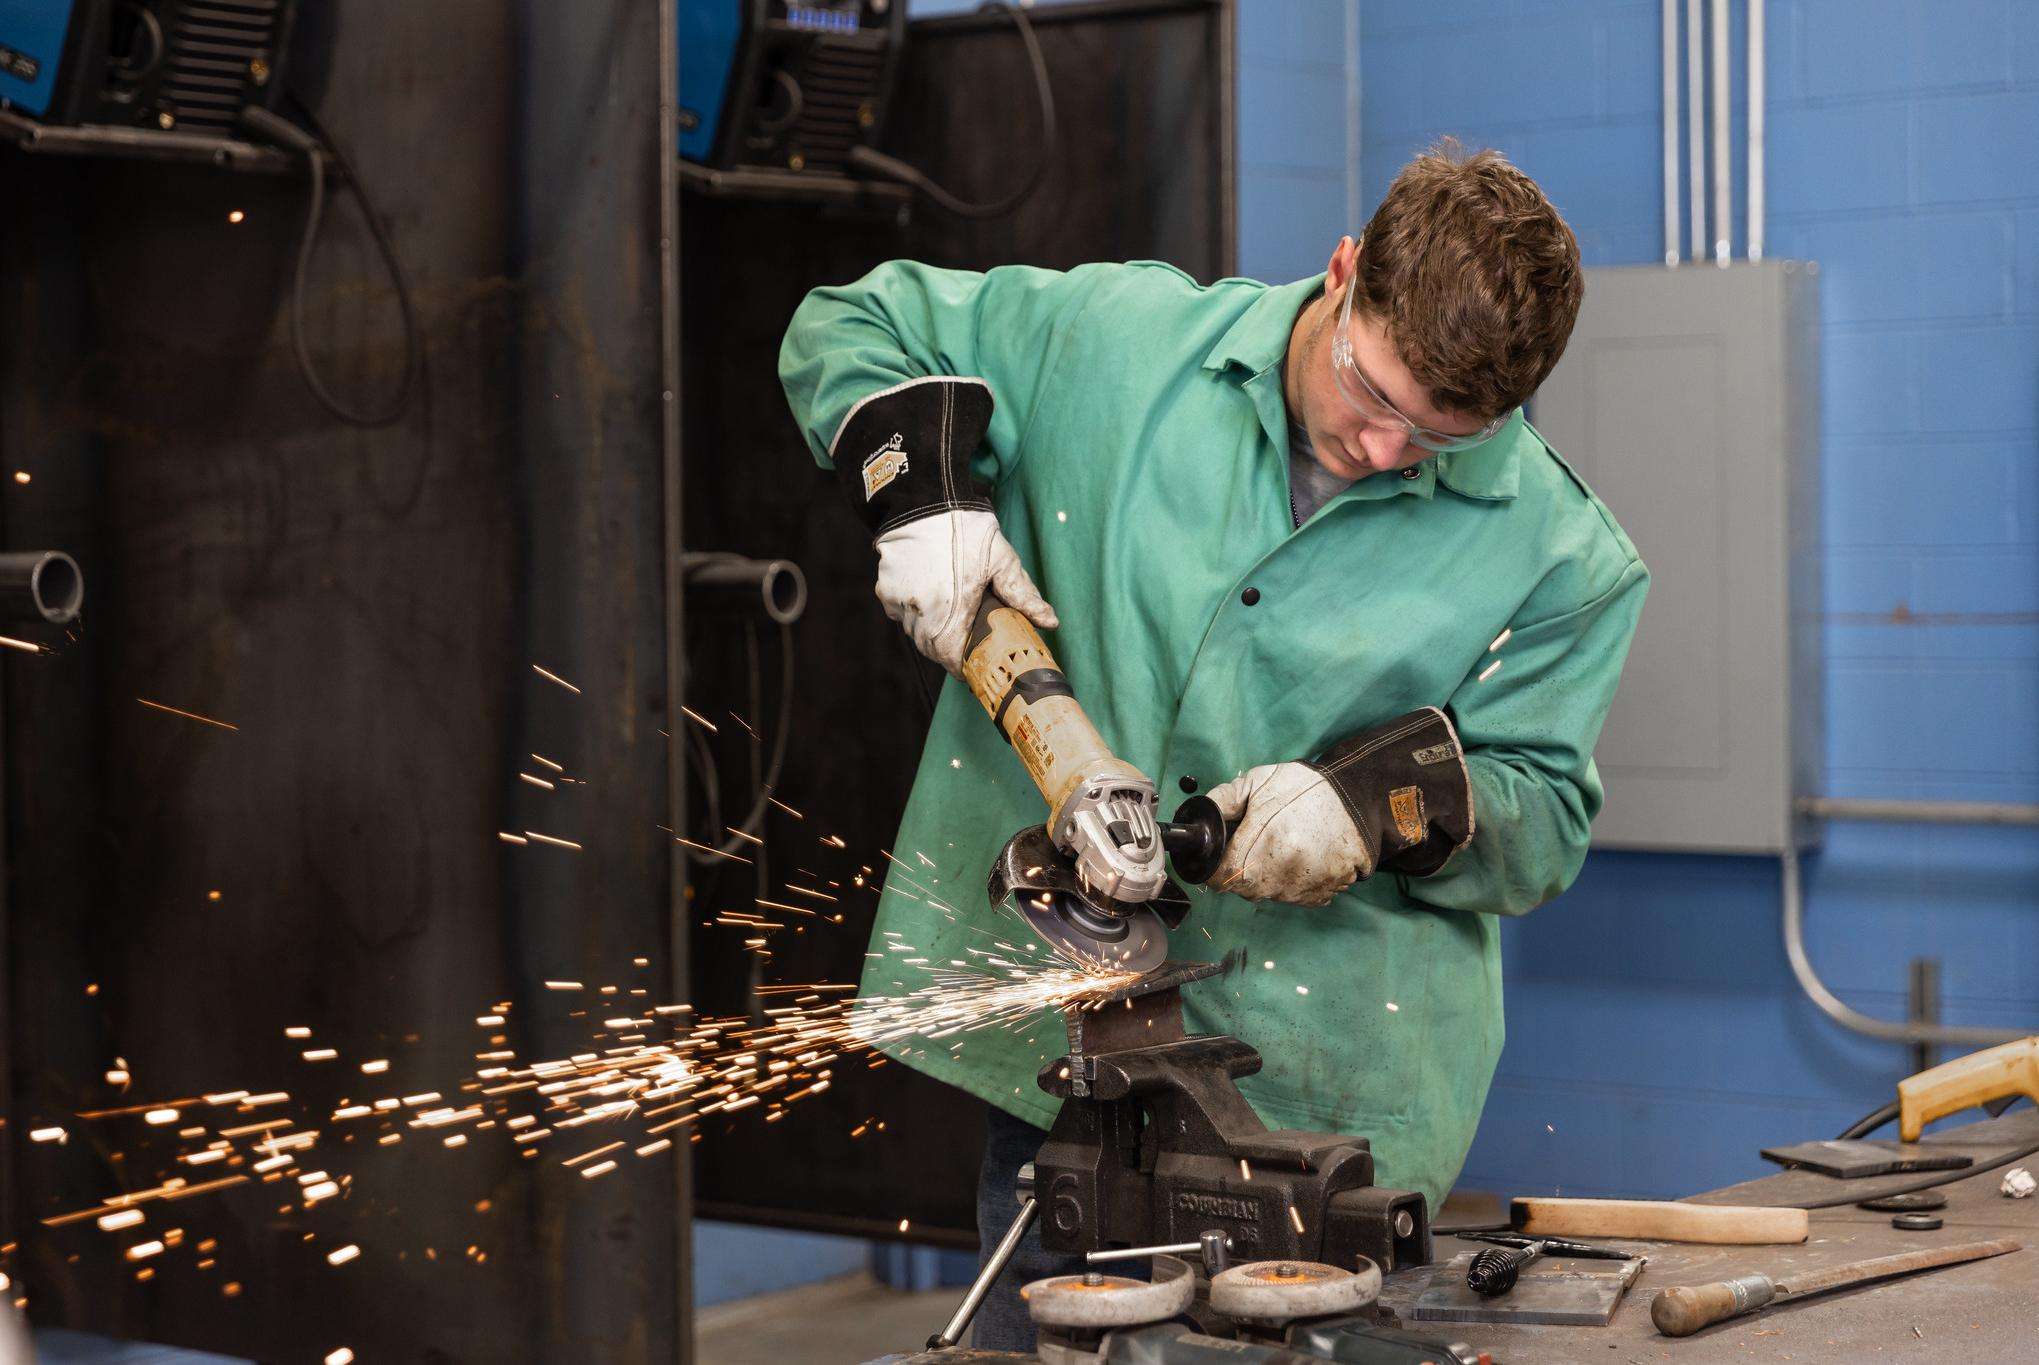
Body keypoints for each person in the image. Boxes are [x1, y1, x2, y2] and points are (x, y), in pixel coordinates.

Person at [779, 142, 1647, 1350]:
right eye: (1374, 397)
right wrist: (917, 489)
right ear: (1342, 274)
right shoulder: (1113, 345)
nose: (1388, 453)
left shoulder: (1563, 558)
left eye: (1444, 437)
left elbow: (1542, 816)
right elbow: (851, 321)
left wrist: (1368, 810)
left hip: (1326, 1109)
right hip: (1075, 1075)